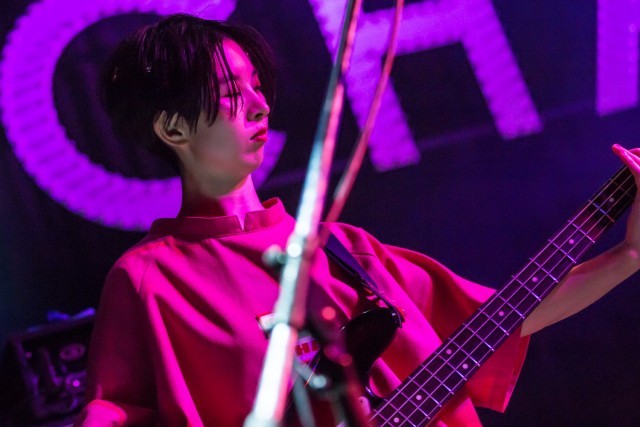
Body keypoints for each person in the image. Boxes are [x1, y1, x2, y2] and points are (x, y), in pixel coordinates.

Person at [75, 13, 640, 427]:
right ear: (173, 129)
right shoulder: (148, 279)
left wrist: (629, 255)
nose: (260, 104)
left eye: (257, 86)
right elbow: (112, 413)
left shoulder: (340, 248)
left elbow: (501, 318)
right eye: (229, 93)